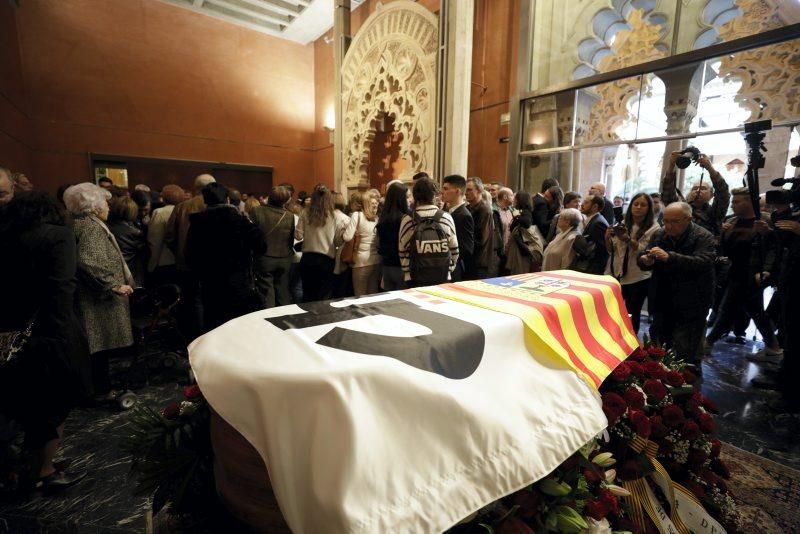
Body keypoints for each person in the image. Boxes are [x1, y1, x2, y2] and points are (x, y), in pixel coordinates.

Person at [0, 192, 88, 492]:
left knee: (18, 404)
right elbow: (61, 289)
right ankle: (43, 471)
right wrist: (66, 339)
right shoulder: (57, 237)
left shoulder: (6, 237)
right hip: (48, 332)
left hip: (7, 335)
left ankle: (15, 468)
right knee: (53, 405)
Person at [64, 183, 135, 400]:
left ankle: (97, 389)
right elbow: (89, 261)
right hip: (96, 300)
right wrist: (113, 285)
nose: (108, 207)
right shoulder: (91, 227)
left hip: (91, 297)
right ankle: (101, 391)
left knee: (96, 348)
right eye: (105, 203)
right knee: (98, 347)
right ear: (94, 207)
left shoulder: (80, 223)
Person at [638, 202, 715, 367]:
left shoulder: (703, 236)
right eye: (665, 221)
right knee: (659, 343)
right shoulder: (659, 234)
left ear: (688, 219)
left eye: (674, 221)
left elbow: (704, 262)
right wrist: (645, 260)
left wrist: (670, 257)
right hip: (662, 296)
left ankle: (685, 379)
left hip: (693, 300)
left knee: (685, 348)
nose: (668, 226)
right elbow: (645, 256)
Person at [705, 188, 782, 355]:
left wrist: (767, 270)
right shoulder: (731, 221)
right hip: (735, 271)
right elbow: (724, 250)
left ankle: (708, 342)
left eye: (737, 201)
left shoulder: (765, 221)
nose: (733, 205)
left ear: (749, 202)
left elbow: (774, 248)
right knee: (753, 311)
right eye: (733, 201)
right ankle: (773, 347)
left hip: (752, 274)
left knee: (729, 308)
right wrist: (722, 235)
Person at [186, 183, 266, 331]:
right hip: (239, 282)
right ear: (227, 199)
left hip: (210, 282)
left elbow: (191, 256)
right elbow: (261, 245)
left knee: (215, 324)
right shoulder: (240, 220)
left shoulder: (198, 223)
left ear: (205, 201)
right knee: (240, 325)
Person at [165, 173, 216, 338]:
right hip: (214, 263)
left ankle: (196, 337)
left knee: (193, 300)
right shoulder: (218, 206)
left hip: (186, 263)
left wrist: (180, 252)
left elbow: (170, 236)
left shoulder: (182, 207)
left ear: (196, 188)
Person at [604, 192, 660, 335]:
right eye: (636, 204)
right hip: (616, 272)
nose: (638, 207)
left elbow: (646, 250)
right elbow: (612, 250)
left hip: (638, 276)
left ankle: (631, 343)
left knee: (632, 312)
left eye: (643, 205)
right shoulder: (622, 223)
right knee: (612, 310)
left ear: (649, 208)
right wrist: (607, 237)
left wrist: (628, 239)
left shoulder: (654, 228)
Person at [399, 177, 459, 287]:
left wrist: (408, 272)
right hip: (443, 276)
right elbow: (454, 249)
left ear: (415, 195)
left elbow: (402, 250)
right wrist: (448, 269)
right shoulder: (446, 217)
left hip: (414, 278)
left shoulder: (408, 219)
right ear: (434, 195)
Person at [296, 185, 350, 302]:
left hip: (308, 258)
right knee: (324, 297)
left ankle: (305, 319)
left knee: (308, 295)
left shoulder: (305, 212)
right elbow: (337, 241)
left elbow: (298, 235)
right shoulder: (335, 216)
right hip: (326, 260)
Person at [661, 152, 730, 237]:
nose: (697, 190)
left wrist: (709, 167)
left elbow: (723, 192)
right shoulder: (681, 209)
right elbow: (668, 193)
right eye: (694, 189)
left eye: (703, 189)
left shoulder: (715, 212)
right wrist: (671, 164)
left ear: (712, 195)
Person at [250, 186, 296, 308]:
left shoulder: (257, 211)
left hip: (265, 257)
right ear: (286, 201)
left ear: (269, 197)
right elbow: (290, 239)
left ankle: (269, 320)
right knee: (283, 291)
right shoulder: (290, 216)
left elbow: (252, 235)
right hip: (285, 257)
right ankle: (285, 319)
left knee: (267, 293)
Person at [341, 191, 382, 297]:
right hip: (376, 260)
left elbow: (347, 237)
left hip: (360, 262)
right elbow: (377, 242)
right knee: (372, 295)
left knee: (360, 295)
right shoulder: (376, 219)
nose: (375, 204)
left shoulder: (357, 215)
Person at [376, 182, 411, 290]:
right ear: (401, 199)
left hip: (386, 266)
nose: (410, 200)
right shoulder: (405, 219)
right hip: (402, 267)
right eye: (407, 197)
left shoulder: (383, 217)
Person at [147, 184, 183, 286]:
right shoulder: (183, 210)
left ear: (164, 197)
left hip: (163, 260)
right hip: (180, 261)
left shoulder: (160, 212)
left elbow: (154, 240)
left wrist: (151, 265)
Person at [107, 196, 147, 286]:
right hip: (130, 270)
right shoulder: (136, 232)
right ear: (133, 212)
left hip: (110, 269)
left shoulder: (106, 226)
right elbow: (144, 253)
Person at [441, 175, 474, 282]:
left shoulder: (464, 215)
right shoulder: (446, 211)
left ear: (457, 191)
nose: (442, 192)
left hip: (454, 268)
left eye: (446, 189)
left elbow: (467, 248)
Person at [505, 191, 545, 274]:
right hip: (518, 247)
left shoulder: (525, 212)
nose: (514, 201)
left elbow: (527, 223)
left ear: (520, 200)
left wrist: (517, 216)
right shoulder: (522, 211)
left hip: (520, 250)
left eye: (515, 199)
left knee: (518, 271)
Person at [571, 194, 609, 275]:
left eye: (586, 202)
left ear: (595, 206)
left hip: (593, 269)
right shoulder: (593, 220)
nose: (582, 204)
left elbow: (600, 251)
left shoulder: (598, 223)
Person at [465, 177, 495, 279]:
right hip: (469, 259)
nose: (466, 193)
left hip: (480, 262)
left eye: (469, 190)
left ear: (479, 191)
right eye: (465, 189)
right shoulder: (468, 208)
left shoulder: (484, 210)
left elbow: (481, 239)